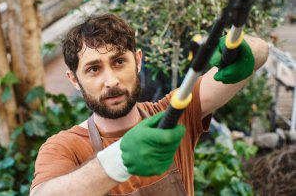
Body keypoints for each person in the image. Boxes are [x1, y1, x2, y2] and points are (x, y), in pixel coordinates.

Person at [30, 13, 269, 196]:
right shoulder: (64, 147)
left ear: (138, 61)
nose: (111, 81)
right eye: (94, 69)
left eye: (119, 61)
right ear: (74, 79)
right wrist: (118, 161)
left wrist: (244, 50)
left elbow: (260, 52)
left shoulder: (175, 114)